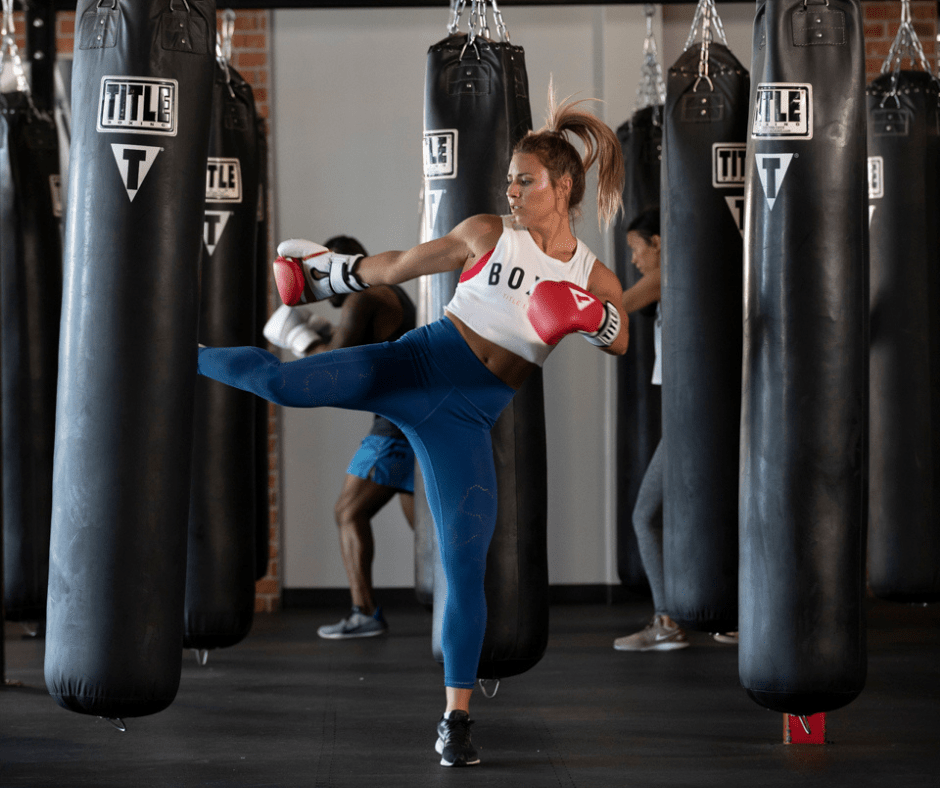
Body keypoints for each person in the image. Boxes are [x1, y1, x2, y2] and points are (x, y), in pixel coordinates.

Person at [197, 88, 628, 767]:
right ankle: (179, 354)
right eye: (509, 178)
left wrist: (588, 316)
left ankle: (456, 721)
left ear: (564, 185)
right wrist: (331, 275)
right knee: (282, 383)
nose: (511, 190)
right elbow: (399, 265)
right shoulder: (490, 232)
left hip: (468, 415)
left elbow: (623, 333)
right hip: (416, 364)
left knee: (464, 560)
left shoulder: (588, 273)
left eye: (526, 180)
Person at [262, 235, 417, 640]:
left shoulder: (361, 300)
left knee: (348, 512)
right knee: (430, 529)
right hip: (416, 417)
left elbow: (333, 374)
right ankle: (482, 603)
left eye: (316, 279)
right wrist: (322, 331)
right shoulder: (388, 293)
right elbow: (362, 351)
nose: (314, 291)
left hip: (395, 425)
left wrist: (300, 339)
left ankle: (363, 612)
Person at [612, 208, 736, 652]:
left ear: (659, 243)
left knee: (647, 516)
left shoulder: (671, 276)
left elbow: (618, 306)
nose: (634, 259)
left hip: (695, 420)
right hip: (688, 416)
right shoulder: (674, 286)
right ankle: (694, 617)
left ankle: (670, 620)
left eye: (635, 248)